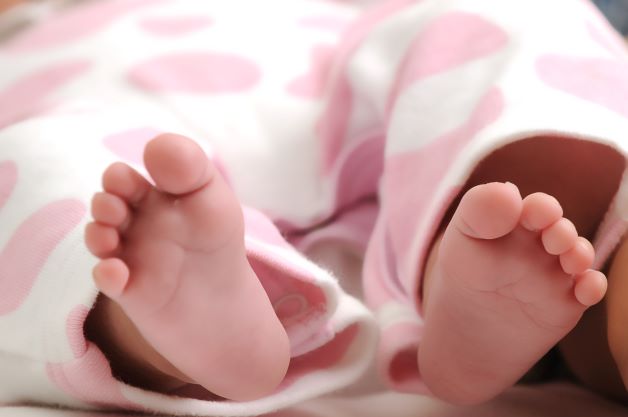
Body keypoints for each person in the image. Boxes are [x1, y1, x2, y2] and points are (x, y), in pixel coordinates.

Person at [1, 0, 628, 414]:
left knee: (512, 14)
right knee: (44, 166)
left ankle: (498, 242)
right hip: (139, 153)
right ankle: (180, 332)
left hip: (371, 128)